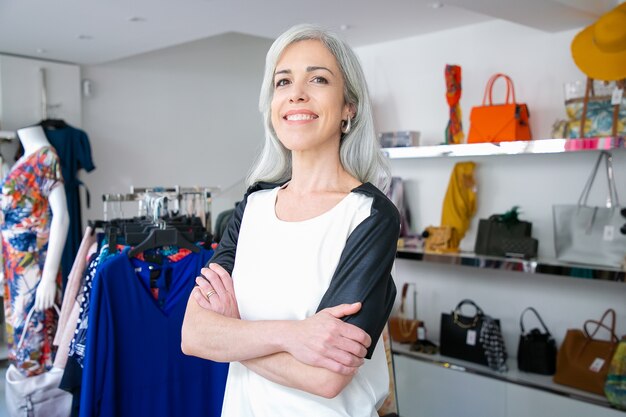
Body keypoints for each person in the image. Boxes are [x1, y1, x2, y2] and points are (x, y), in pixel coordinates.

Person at [182, 24, 400, 416]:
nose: (296, 93)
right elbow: (193, 335)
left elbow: (326, 379)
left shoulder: (370, 215)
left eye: (317, 78)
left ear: (349, 106)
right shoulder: (252, 207)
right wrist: (294, 336)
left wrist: (233, 335)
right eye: (283, 82)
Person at [1, 125, 69, 377]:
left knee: (36, 339)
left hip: (34, 269)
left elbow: (62, 217)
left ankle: (40, 406)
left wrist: (49, 277)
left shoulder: (45, 157)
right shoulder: (25, 158)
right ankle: (28, 404)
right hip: (15, 268)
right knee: (22, 340)